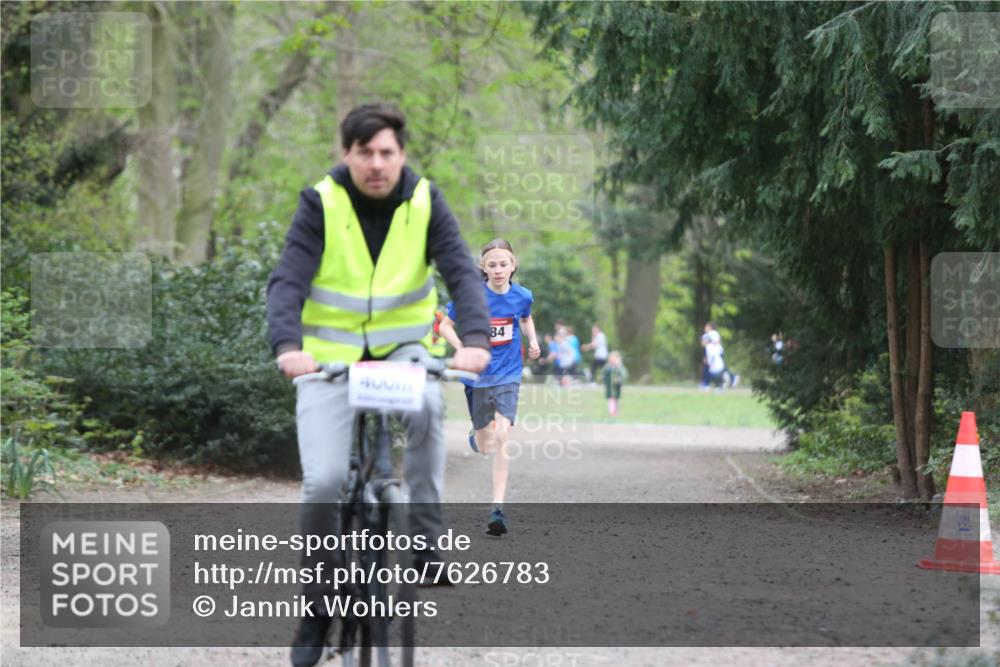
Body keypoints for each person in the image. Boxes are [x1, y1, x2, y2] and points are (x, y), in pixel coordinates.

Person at [266, 103, 491, 667]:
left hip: (403, 354)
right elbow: (289, 278)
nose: (376, 163)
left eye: (387, 152)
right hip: (329, 362)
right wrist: (288, 347)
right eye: (364, 152)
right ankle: (317, 610)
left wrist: (476, 340)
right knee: (320, 485)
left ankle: (424, 538)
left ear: (401, 155)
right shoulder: (321, 201)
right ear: (347, 154)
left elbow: (462, 272)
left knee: (425, 408)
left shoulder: (424, 200)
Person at [438, 238, 540, 537]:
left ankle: (498, 508)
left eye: (503, 264)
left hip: (508, 373)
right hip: (477, 375)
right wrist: (461, 348)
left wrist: (532, 341)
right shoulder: (470, 296)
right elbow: (445, 325)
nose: (498, 270)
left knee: (503, 435)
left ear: (513, 265)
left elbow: (525, 317)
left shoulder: (522, 295)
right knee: (485, 444)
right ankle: (476, 436)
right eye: (492, 264)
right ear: (483, 267)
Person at [601, 350, 629, 416]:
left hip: (617, 387)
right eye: (611, 358)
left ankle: (616, 412)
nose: (612, 359)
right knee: (611, 399)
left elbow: (624, 375)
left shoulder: (620, 367)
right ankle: (611, 412)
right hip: (610, 387)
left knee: (616, 400)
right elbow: (604, 375)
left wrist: (619, 380)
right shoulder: (607, 367)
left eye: (614, 358)